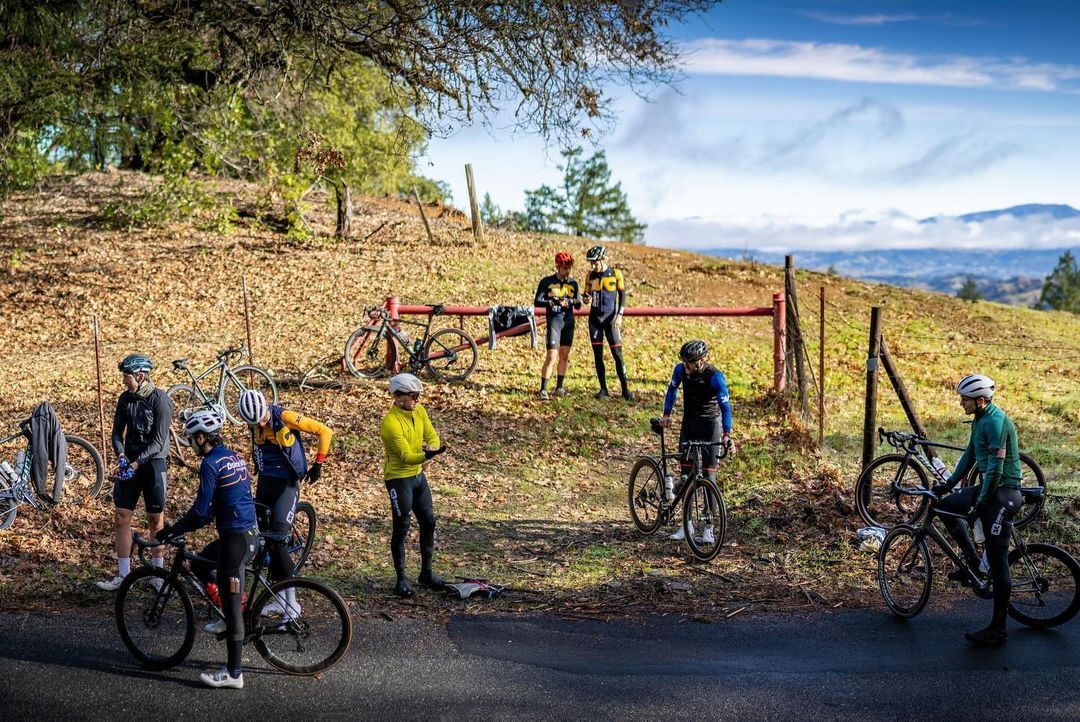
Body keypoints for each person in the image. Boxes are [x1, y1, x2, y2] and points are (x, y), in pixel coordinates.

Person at [158, 409, 258, 689]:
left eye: (191, 439)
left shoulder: (210, 464)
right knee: (201, 564)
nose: (190, 444)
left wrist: (174, 529)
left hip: (236, 541)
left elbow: (201, 511)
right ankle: (227, 612)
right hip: (246, 534)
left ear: (202, 437)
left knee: (233, 604)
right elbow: (226, 499)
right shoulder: (233, 456)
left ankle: (234, 673)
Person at [931, 374, 1024, 647]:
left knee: (998, 561)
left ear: (980, 401)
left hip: (1003, 493)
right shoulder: (979, 420)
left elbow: (995, 471)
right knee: (945, 507)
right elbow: (969, 455)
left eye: (965, 399)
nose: (961, 403)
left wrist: (979, 505)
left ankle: (998, 629)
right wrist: (947, 485)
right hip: (989, 489)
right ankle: (972, 563)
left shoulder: (995, 422)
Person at [237, 389, 332, 600]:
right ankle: (277, 597)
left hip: (286, 485)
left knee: (278, 540)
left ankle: (292, 605)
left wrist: (318, 464)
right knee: (263, 540)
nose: (259, 425)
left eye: (261, 419)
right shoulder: (254, 422)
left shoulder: (285, 417)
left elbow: (325, 431)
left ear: (266, 407)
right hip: (265, 482)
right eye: (253, 423)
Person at [96, 354, 173, 591]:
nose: (123, 382)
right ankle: (123, 575)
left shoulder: (160, 400)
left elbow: (159, 441)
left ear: (140, 376)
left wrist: (136, 463)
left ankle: (158, 574)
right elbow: (117, 433)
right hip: (129, 462)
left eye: (127, 377)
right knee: (121, 516)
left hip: (152, 464)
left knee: (155, 520)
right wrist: (121, 456)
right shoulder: (125, 399)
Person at [658, 340, 735, 542]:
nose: (686, 365)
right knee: (686, 476)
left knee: (709, 477)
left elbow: (726, 408)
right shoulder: (681, 371)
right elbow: (672, 391)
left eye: (689, 362)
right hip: (689, 424)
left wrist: (727, 434)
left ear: (701, 360)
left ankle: (708, 528)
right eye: (684, 361)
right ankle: (687, 526)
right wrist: (666, 414)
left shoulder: (715, 377)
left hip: (710, 425)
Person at [379, 373, 447, 597]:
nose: (417, 399)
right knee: (402, 527)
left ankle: (426, 574)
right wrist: (429, 455)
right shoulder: (390, 424)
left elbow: (432, 435)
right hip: (398, 478)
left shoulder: (419, 411)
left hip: (417, 476)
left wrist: (433, 448)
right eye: (413, 395)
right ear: (398, 397)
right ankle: (401, 579)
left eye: (418, 395)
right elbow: (407, 457)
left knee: (429, 522)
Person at [582, 245, 633, 400]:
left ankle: (625, 389)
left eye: (595, 262)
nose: (593, 266)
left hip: (611, 319)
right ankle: (603, 388)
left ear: (603, 259)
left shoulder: (616, 274)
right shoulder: (590, 276)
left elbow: (623, 296)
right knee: (598, 355)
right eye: (591, 263)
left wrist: (620, 315)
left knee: (617, 355)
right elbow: (586, 296)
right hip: (595, 320)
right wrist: (586, 299)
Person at [534, 251, 582, 400]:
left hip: (568, 321)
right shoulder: (546, 282)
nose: (567, 271)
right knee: (551, 356)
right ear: (558, 267)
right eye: (565, 268)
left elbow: (579, 304)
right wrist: (551, 302)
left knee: (564, 355)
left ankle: (559, 386)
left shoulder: (573, 283)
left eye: (569, 268)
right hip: (554, 321)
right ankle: (543, 389)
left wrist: (571, 301)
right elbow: (537, 301)